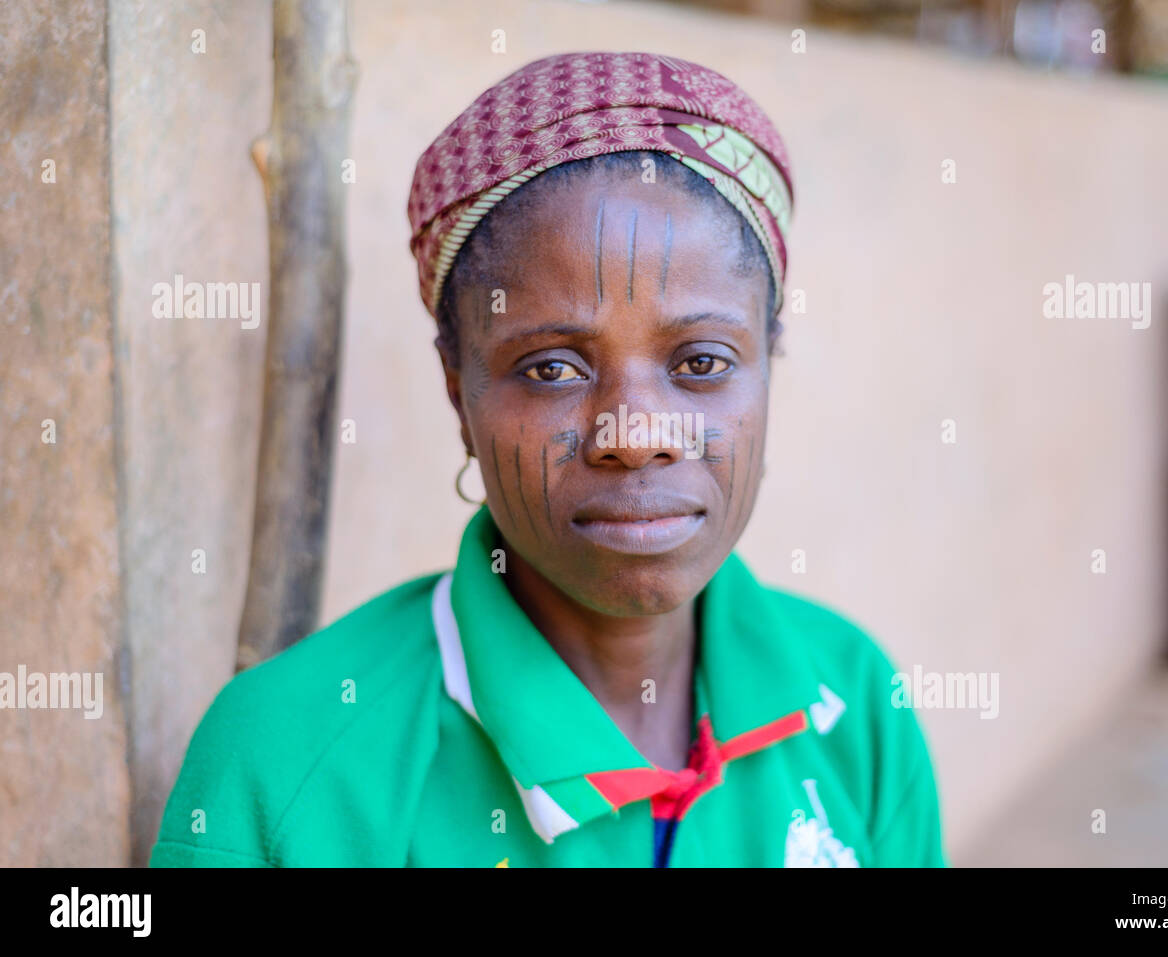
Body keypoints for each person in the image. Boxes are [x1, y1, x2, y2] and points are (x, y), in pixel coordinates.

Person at [150, 50, 945, 868]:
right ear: (459, 392)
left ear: (769, 363)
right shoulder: (281, 766)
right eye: (552, 369)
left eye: (701, 362)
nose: (636, 435)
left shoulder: (851, 701)